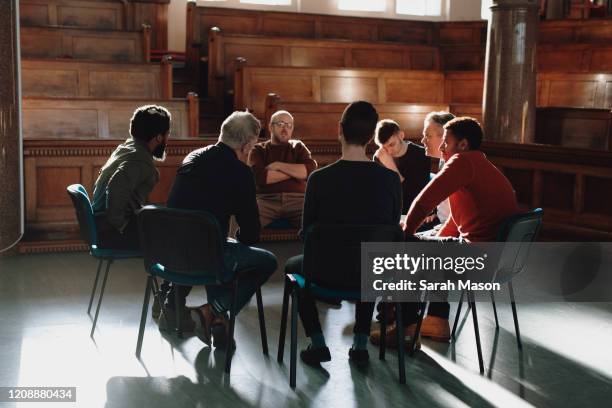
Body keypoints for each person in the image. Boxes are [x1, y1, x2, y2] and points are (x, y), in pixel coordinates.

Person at [372, 117, 519, 348]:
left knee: (409, 252)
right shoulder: (480, 164)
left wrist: (408, 235)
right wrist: (426, 237)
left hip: (477, 261)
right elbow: (457, 220)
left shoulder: (461, 161)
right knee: (430, 248)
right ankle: (437, 320)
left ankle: (406, 328)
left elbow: (424, 202)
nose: (441, 147)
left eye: (446, 141)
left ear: (462, 144)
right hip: (495, 261)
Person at [285, 101, 402, 366]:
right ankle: (360, 343)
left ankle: (317, 342)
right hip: (372, 274)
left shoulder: (319, 179)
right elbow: (389, 233)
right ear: (372, 137)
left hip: (323, 272)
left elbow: (306, 234)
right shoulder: (390, 180)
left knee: (293, 267)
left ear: (340, 130)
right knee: (372, 257)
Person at [159, 111, 278, 347]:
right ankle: (213, 311)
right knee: (265, 261)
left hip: (170, 254)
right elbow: (251, 233)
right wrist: (238, 239)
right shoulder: (240, 173)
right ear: (246, 146)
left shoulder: (192, 157)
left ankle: (206, 318)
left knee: (214, 246)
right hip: (208, 257)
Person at [92, 105, 170, 250]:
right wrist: (122, 226)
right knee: (176, 230)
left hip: (99, 225)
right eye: (167, 135)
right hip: (110, 232)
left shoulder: (126, 148)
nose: (167, 139)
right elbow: (115, 188)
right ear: (158, 137)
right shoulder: (139, 160)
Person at [248, 110, 317, 228]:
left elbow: (310, 170)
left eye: (289, 125)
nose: (285, 129)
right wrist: (295, 172)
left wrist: (278, 165)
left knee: (320, 220)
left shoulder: (298, 146)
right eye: (280, 124)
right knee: (242, 220)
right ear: (270, 127)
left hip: (298, 200)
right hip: (266, 201)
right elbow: (260, 177)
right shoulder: (258, 149)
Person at [373, 119, 430, 214]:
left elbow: (414, 195)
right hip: (387, 212)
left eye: (391, 145)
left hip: (412, 211)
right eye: (384, 147)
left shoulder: (421, 154)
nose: (389, 152)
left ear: (401, 136)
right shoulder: (380, 156)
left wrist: (391, 166)